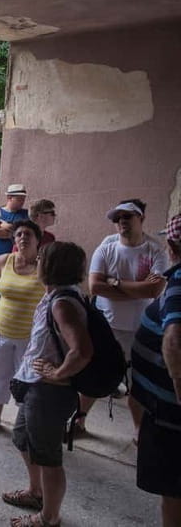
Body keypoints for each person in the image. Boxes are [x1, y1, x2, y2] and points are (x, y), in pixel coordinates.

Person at [2, 241, 93, 527]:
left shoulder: (63, 303)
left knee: (48, 456)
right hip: (35, 387)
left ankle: (49, 516)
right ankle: (35, 492)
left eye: (41, 259)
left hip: (50, 393)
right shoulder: (55, 295)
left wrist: (57, 374)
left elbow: (82, 350)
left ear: (51, 267)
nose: (36, 262)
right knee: (22, 438)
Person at [83, 199, 168, 439]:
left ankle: (139, 431)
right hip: (107, 326)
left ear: (141, 219)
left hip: (142, 329)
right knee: (97, 374)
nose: (121, 222)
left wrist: (116, 282)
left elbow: (154, 291)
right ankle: (79, 420)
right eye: (117, 218)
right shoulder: (107, 246)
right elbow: (95, 286)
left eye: (127, 217)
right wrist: (136, 288)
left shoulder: (155, 250)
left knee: (137, 383)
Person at [132, 213, 181, 527]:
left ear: (174, 246)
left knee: (173, 489)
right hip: (163, 405)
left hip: (170, 411)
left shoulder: (178, 282)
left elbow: (174, 340)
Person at [0, 220, 45, 437]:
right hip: (1, 331)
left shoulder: (44, 266)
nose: (23, 238)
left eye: (28, 234)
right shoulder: (6, 261)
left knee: (27, 379)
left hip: (30, 337)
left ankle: (24, 421)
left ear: (38, 239)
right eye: (19, 235)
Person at [0, 184, 29, 308]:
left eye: (24, 198)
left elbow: (27, 234)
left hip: (17, 261)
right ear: (10, 198)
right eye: (19, 198)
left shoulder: (26, 214)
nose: (22, 201)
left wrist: (7, 226)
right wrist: (15, 233)